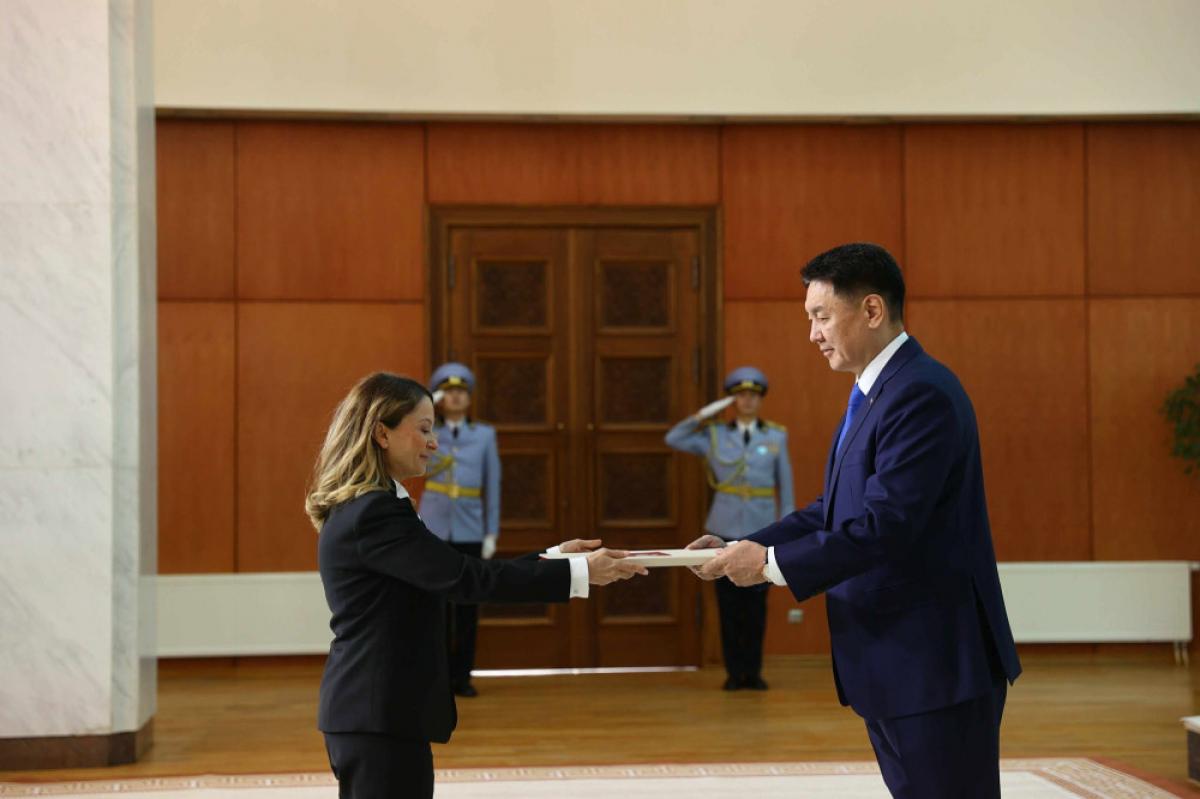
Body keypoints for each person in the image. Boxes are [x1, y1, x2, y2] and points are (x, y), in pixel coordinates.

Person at [691, 243, 1021, 799]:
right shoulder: (876, 391)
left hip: (933, 663)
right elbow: (833, 509)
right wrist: (738, 545)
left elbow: (887, 524)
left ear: (871, 310)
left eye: (821, 316)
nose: (813, 335)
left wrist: (769, 564)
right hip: (895, 663)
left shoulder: (919, 393)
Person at [306, 372, 646, 799]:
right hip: (377, 713)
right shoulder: (375, 512)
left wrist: (556, 557)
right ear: (381, 433)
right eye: (424, 429)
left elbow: (457, 570)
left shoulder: (374, 505)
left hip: (378, 713)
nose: (434, 443)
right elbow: (465, 580)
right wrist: (579, 573)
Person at [665, 367, 794, 690]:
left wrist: (788, 529)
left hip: (762, 529)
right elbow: (674, 438)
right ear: (732, 401)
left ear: (760, 399)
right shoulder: (715, 435)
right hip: (723, 528)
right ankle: (734, 673)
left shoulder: (776, 436)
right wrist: (705, 413)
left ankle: (754, 671)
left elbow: (786, 486)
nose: (747, 401)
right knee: (728, 604)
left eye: (753, 395)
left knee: (756, 605)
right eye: (740, 395)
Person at [418, 362, 497, 697]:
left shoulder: (484, 435)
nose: (455, 397)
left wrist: (490, 532)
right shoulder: (426, 431)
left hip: (469, 528)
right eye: (448, 392)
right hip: (434, 528)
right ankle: (436, 679)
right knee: (434, 608)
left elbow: (493, 484)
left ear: (469, 398)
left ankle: (462, 677)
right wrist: (427, 405)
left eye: (461, 392)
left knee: (466, 608)